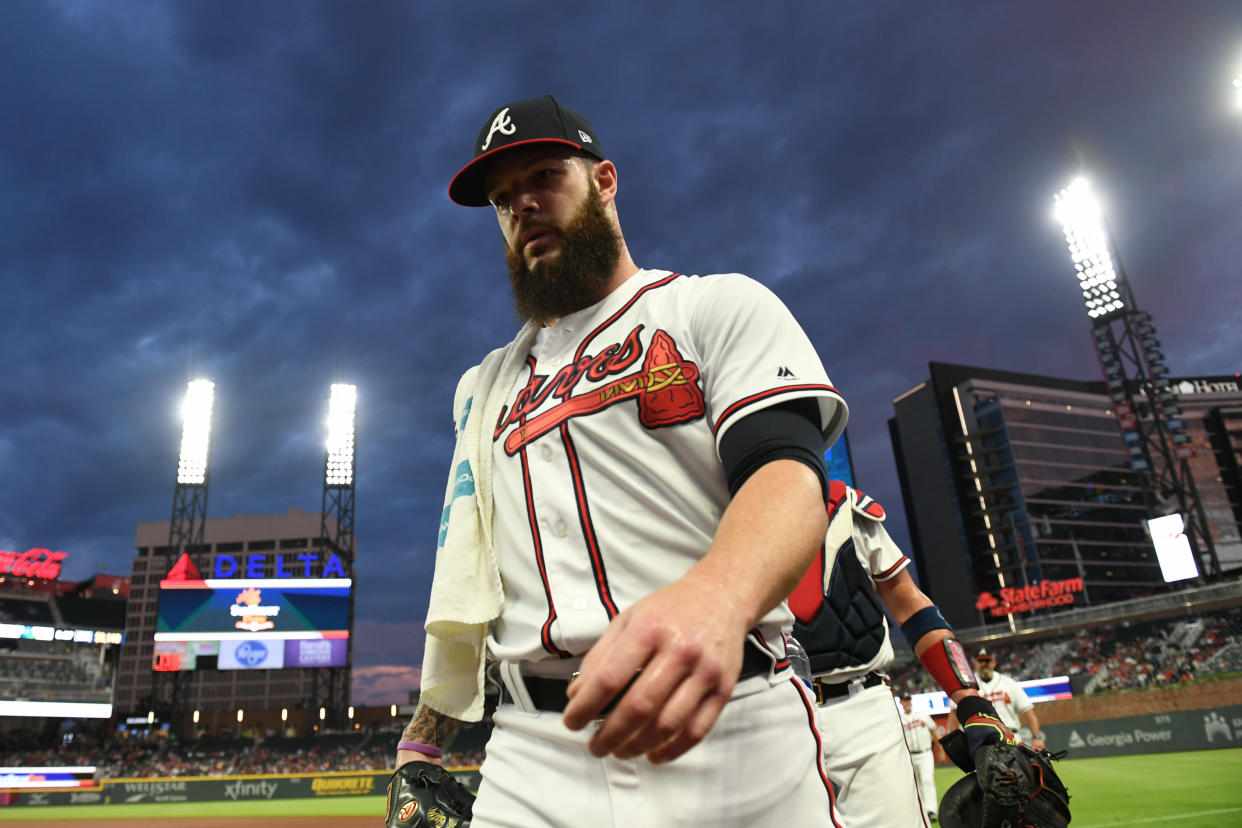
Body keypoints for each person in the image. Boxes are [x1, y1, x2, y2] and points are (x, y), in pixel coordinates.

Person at [396, 94, 849, 826]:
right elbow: (473, 580)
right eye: (503, 199)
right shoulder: (482, 390)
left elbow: (788, 475)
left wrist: (721, 594)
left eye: (545, 176)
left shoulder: (714, 307)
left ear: (605, 181)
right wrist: (420, 746)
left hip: (728, 726)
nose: (523, 206)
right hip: (532, 750)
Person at [790, 481, 1021, 827]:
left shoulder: (844, 506)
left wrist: (971, 701)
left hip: (862, 708)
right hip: (772, 710)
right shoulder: (707, 504)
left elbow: (909, 603)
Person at [948, 649, 1046, 751]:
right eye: (981, 662)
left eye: (987, 661)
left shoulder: (1009, 683)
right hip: (979, 741)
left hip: (1011, 737)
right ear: (974, 664)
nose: (984, 664)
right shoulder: (967, 685)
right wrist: (955, 741)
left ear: (994, 663)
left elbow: (1028, 712)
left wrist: (1037, 737)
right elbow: (954, 714)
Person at [899, 694, 939, 824]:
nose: (907, 702)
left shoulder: (921, 715)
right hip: (910, 755)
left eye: (908, 700)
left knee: (927, 780)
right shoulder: (900, 719)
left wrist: (940, 748)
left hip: (925, 752)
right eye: (905, 700)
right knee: (916, 783)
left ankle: (931, 810)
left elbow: (933, 730)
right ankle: (923, 810)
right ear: (901, 703)